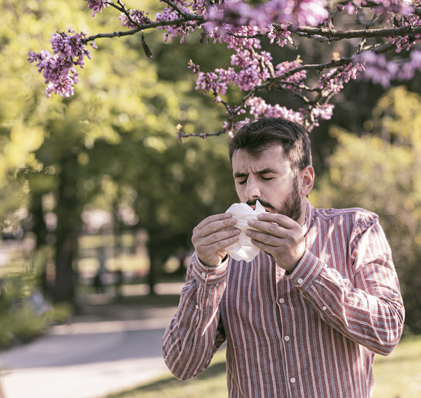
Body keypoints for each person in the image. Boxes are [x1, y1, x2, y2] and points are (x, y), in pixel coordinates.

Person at [162, 118, 404, 397]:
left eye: (266, 177)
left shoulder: (356, 229)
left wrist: (302, 264)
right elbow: (182, 364)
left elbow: (387, 332)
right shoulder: (222, 257)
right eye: (241, 179)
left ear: (305, 180)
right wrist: (206, 270)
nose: (251, 191)